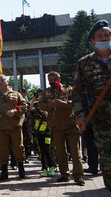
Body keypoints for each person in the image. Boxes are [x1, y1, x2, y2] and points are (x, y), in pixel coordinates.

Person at [73, 20, 111, 191]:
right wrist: (80, 115)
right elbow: (78, 92)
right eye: (100, 36)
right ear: (93, 40)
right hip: (102, 121)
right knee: (108, 162)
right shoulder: (84, 63)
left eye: (107, 35)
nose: (105, 38)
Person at [38, 71, 85, 186]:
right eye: (50, 80)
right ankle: (64, 175)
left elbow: (75, 103)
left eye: (54, 80)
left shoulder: (68, 89)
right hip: (56, 126)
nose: (52, 82)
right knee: (60, 152)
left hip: (70, 125)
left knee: (75, 152)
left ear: (59, 79)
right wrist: (50, 105)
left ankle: (78, 176)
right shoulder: (46, 93)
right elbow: (40, 105)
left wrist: (62, 103)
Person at [0, 74, 27, 181]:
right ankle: (4, 172)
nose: (0, 82)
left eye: (2, 80)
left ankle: (21, 169)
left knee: (18, 148)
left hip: (14, 127)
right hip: (1, 128)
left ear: (7, 82)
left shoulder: (16, 94)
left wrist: (14, 112)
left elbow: (24, 106)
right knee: (2, 150)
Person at [29, 91, 57, 177]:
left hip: (47, 132)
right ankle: (44, 168)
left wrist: (46, 113)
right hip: (38, 132)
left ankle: (52, 167)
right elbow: (31, 110)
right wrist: (33, 100)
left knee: (47, 150)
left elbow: (52, 116)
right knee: (41, 151)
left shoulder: (47, 105)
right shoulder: (37, 106)